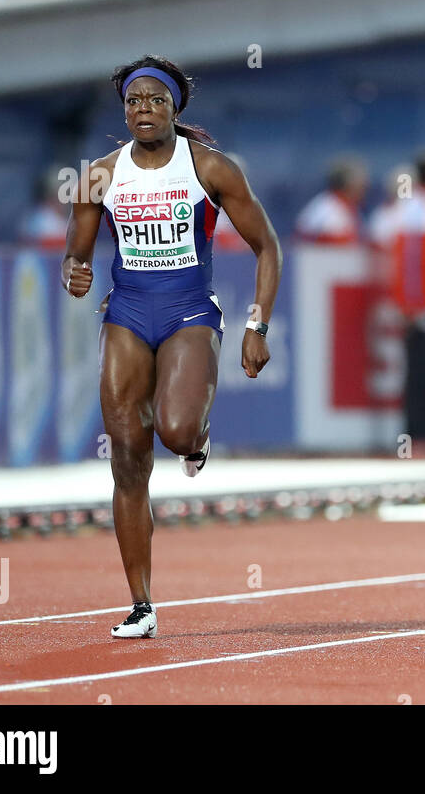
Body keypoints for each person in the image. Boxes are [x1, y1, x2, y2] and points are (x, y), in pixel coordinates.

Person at [62, 55, 282, 639]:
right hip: (128, 311)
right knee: (128, 459)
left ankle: (196, 439)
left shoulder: (209, 168)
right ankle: (141, 603)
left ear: (174, 108)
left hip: (188, 309)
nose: (144, 110)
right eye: (134, 101)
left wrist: (256, 326)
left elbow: (267, 247)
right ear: (124, 111)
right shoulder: (99, 176)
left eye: (156, 100)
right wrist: (74, 271)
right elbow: (76, 252)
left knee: (176, 432)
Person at [370, 152, 425, 449]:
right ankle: (415, 437)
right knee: (420, 373)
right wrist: (412, 304)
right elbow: (408, 266)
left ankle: (422, 436)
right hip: (422, 307)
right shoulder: (417, 211)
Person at [295, 155, 368, 245]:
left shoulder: (348, 208)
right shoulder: (328, 211)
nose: (365, 187)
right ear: (349, 184)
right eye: (361, 183)